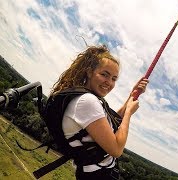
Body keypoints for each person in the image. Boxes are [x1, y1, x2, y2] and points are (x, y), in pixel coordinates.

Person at [49, 45, 148, 179]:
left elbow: (113, 123)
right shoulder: (87, 101)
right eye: (104, 75)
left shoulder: (85, 98)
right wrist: (129, 112)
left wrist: (132, 95)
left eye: (114, 78)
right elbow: (117, 149)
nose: (109, 82)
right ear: (90, 72)